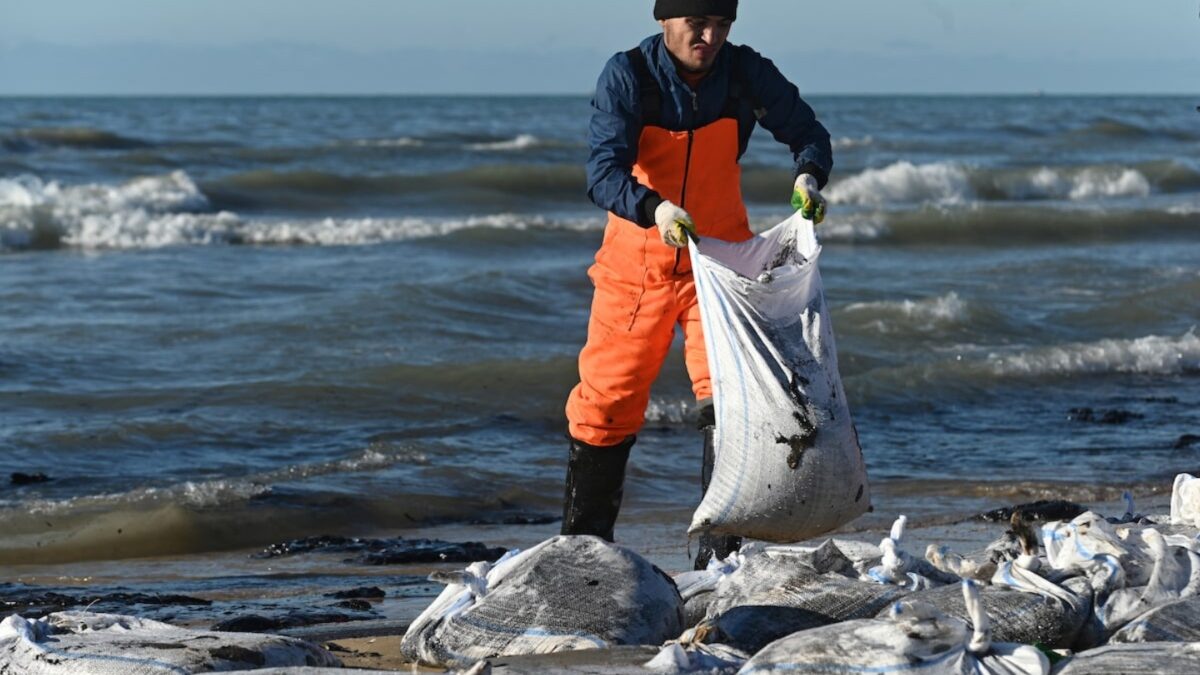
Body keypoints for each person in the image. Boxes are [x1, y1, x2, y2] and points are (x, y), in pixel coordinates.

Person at [561, 0, 834, 569]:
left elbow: (806, 130)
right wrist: (655, 209)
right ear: (664, 19)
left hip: (722, 262)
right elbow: (602, 172)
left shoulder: (744, 72)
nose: (708, 36)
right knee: (606, 404)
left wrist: (809, 173)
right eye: (695, 23)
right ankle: (582, 556)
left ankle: (719, 564)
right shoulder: (628, 75)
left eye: (721, 24)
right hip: (639, 263)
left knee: (731, 402)